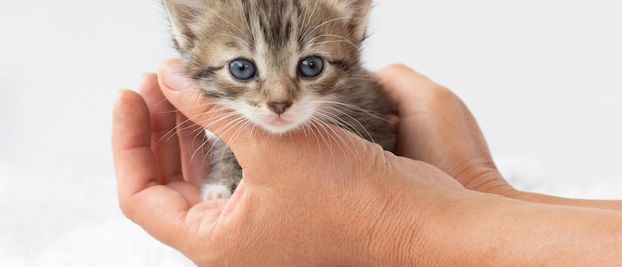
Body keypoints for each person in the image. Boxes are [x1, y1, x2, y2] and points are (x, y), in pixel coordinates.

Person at [112, 59, 622, 266]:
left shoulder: (360, 105)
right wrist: (479, 191)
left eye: (308, 67)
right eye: (243, 69)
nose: (278, 97)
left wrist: (401, 224)